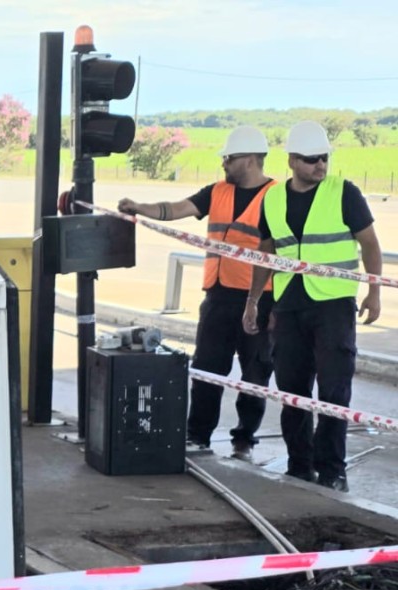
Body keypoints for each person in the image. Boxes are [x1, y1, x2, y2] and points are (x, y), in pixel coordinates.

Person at [117, 125, 278, 461]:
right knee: (206, 370)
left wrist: (271, 307)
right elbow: (177, 209)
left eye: (229, 158)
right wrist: (140, 208)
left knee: (255, 373)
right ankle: (197, 435)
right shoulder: (217, 191)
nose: (223, 163)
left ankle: (244, 440)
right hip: (218, 297)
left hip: (259, 300)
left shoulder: (276, 196)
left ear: (249, 160)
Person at [243, 121, 384, 493]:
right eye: (311, 160)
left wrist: (374, 291)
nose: (320, 166)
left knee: (334, 391)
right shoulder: (272, 198)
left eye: (324, 158)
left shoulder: (344, 192)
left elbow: (370, 243)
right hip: (289, 305)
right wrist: (254, 301)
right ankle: (299, 466)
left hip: (334, 305)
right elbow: (267, 252)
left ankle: (333, 470)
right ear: (291, 161)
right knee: (293, 391)